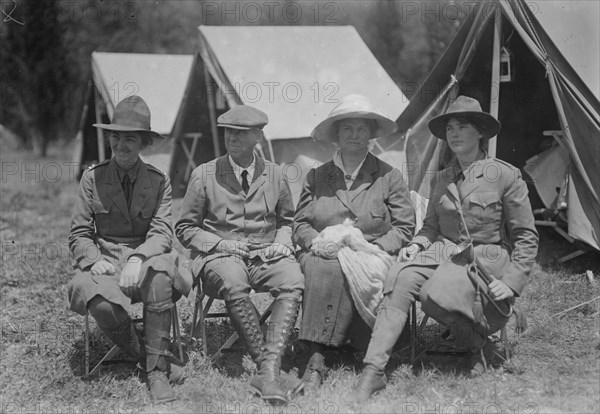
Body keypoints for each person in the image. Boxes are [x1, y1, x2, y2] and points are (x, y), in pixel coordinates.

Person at [351, 95, 539, 402]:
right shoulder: (442, 177)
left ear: (480, 132)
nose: (453, 133)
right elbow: (430, 227)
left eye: (462, 126)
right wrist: (416, 245)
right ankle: (374, 371)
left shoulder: (505, 175)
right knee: (398, 278)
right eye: (449, 127)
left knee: (432, 295)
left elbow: (526, 235)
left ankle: (479, 347)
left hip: (484, 256)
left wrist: (512, 281)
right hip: (442, 250)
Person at [175, 104, 304, 404]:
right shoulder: (204, 174)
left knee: (294, 278)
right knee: (233, 280)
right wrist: (220, 244)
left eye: (241, 132)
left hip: (265, 255)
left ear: (258, 135)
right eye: (228, 131)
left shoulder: (275, 174)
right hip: (220, 257)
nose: (232, 137)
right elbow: (184, 228)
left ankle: (266, 371)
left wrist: (283, 243)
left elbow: (287, 221)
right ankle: (269, 369)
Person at [68, 95, 192, 403]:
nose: (121, 145)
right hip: (106, 262)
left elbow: (163, 231)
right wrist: (93, 260)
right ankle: (145, 355)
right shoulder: (92, 178)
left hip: (146, 258)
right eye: (115, 137)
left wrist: (139, 257)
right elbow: (80, 233)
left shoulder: (158, 180)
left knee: (162, 276)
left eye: (130, 138)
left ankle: (157, 374)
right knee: (100, 302)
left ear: (144, 142)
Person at [293, 95, 415, 390]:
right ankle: (318, 358)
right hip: (323, 251)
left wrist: (371, 248)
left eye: (362, 129)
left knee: (342, 264)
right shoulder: (317, 176)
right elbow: (299, 224)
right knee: (326, 264)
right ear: (336, 135)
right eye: (347, 129)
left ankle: (324, 350)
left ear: (371, 135)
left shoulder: (388, 176)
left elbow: (404, 227)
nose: (354, 136)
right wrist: (316, 243)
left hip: (372, 254)